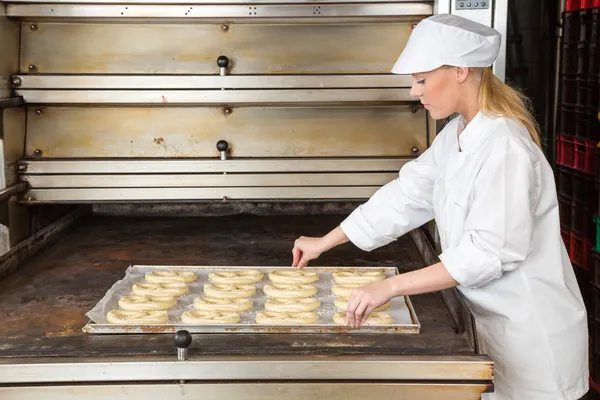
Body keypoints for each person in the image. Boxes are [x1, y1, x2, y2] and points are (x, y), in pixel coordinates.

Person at [290, 14, 589, 400]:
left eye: (422, 80)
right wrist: (324, 242)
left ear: (461, 70)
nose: (416, 91)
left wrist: (391, 287)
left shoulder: (504, 147)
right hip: (488, 325)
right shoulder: (460, 133)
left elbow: (486, 252)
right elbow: (408, 193)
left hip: (530, 337)